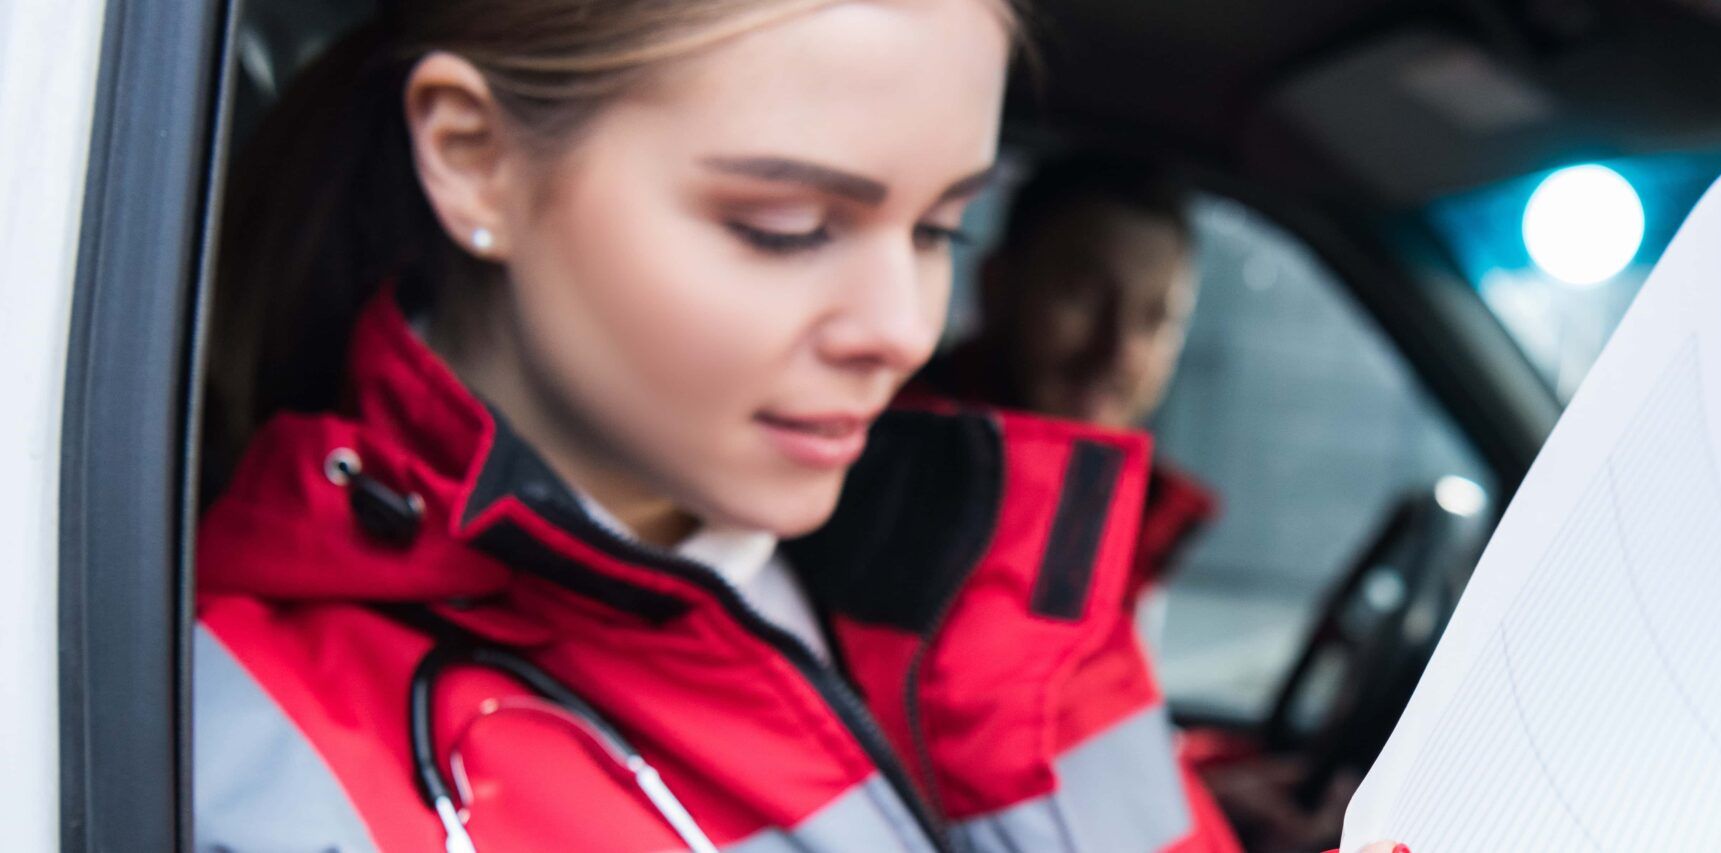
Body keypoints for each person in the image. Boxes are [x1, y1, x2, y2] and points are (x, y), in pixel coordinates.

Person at [191, 2, 1264, 849]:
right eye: (784, 229)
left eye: (940, 228)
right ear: (476, 158)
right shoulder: (262, 760)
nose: (902, 330)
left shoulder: (983, 575)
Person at [917, 151, 1219, 620]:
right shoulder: (884, 477)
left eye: (1154, 319)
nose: (1117, 349)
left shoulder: (1133, 520)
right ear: (995, 286)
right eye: (1084, 297)